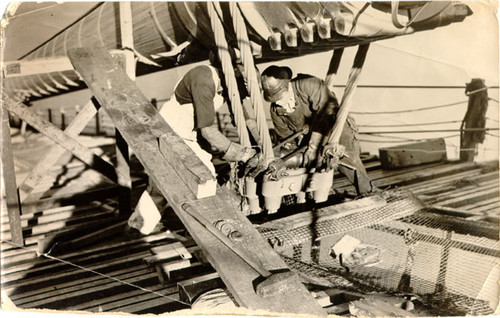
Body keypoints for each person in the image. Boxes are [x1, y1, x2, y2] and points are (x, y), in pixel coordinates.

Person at [127, 62, 258, 235]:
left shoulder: (227, 84)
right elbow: (208, 130)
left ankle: (137, 227)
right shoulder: (204, 77)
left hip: (185, 133)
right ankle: (207, 232)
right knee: (205, 178)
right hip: (169, 132)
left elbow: (242, 115)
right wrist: (240, 153)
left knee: (162, 184)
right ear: (234, 77)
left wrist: (261, 143)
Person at [260, 65, 374, 196]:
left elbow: (329, 109)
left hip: (334, 126)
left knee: (347, 157)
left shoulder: (307, 84)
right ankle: (311, 194)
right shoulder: (276, 111)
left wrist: (314, 145)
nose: (277, 103)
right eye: (273, 100)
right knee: (302, 160)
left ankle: (367, 192)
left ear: (287, 86)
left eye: (279, 97)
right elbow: (286, 138)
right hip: (308, 140)